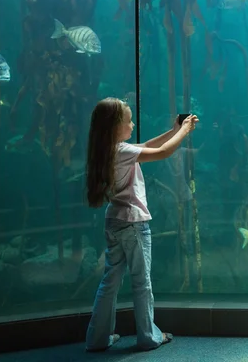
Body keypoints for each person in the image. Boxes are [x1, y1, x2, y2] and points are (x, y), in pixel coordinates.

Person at [84, 97, 199, 352]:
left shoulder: (108, 150)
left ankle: (96, 338)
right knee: (141, 281)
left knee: (110, 281)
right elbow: (162, 152)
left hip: (113, 221)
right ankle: (148, 336)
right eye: (128, 121)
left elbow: (146, 146)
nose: (133, 124)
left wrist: (173, 130)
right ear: (115, 127)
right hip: (133, 223)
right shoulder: (121, 151)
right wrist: (184, 131)